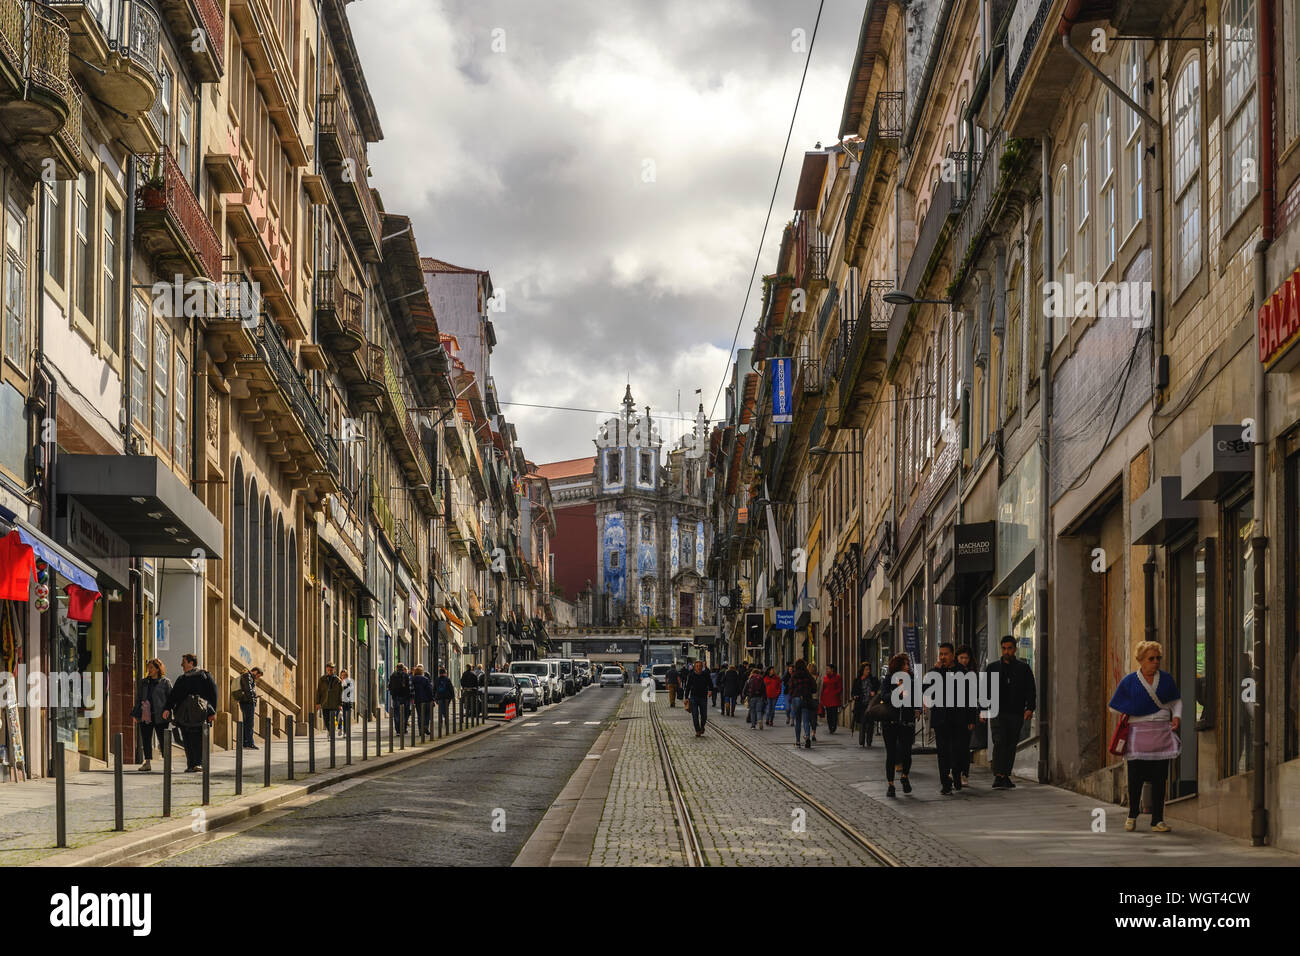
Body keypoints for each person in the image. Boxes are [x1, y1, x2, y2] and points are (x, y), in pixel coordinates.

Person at [1110, 641, 1182, 832]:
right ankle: (1132, 814)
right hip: (1138, 735)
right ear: (1141, 660)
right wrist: (1134, 709)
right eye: (1151, 659)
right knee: (1135, 778)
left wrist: (1176, 716)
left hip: (1161, 734)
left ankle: (1157, 819)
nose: (1156, 662)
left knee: (1160, 778)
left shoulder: (1166, 680)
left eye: (1158, 658)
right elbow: (1115, 705)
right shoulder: (1129, 681)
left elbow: (1176, 701)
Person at [982, 636, 1036, 789]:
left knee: (1011, 744)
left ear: (1015, 649)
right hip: (997, 711)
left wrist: (1030, 708)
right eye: (1004, 648)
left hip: (1015, 712)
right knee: (999, 741)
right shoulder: (992, 668)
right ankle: (998, 775)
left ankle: (1005, 774)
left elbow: (1030, 689)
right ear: (1001, 648)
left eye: (1009, 648)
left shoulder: (1023, 668)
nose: (1006, 651)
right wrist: (983, 710)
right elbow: (985, 690)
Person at [162, 654, 218, 772]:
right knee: (187, 739)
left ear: (191, 662)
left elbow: (213, 694)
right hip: (184, 714)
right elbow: (174, 696)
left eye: (184, 662)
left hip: (200, 714)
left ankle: (198, 763)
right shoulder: (182, 679)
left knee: (198, 739)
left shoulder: (204, 676)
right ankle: (190, 764)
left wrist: (212, 711)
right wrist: (167, 708)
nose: (181, 665)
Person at [931, 643, 968, 795]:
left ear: (952, 655)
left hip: (958, 719)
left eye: (946, 654)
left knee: (957, 750)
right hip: (941, 719)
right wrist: (937, 671)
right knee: (943, 752)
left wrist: (971, 719)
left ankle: (957, 774)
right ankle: (945, 782)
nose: (943, 657)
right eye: (941, 654)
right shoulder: (936, 672)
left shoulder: (962, 672)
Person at [879, 652, 918, 797]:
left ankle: (904, 776)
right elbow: (883, 696)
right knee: (891, 753)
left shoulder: (912, 679)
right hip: (890, 720)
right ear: (898, 666)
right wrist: (898, 692)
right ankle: (890, 785)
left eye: (908, 664)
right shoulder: (889, 679)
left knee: (907, 752)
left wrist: (918, 708)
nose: (908, 667)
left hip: (907, 721)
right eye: (905, 664)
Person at [131, 658, 172, 771]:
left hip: (160, 716)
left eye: (151, 668)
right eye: (148, 668)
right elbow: (139, 698)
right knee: (146, 739)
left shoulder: (165, 682)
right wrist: (136, 713)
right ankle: (147, 762)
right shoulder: (144, 682)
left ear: (158, 669)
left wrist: (168, 710)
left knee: (163, 739)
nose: (149, 670)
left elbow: (170, 699)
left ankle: (167, 762)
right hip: (146, 715)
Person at [955, 647, 978, 785]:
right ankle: (956, 771)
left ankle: (964, 773)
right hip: (954, 715)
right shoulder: (953, 672)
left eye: (966, 658)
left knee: (964, 746)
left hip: (966, 714)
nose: (964, 660)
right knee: (956, 746)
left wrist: (971, 719)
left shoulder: (971, 673)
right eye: (961, 658)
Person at [788, 659, 817, 748]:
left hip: (796, 698)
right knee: (806, 720)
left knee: (798, 720)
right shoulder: (808, 675)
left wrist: (792, 697)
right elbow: (814, 688)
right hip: (805, 698)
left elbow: (791, 688)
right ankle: (807, 736)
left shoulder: (794, 675)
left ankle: (797, 741)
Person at [851, 662, 880, 748]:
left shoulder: (873, 680)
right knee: (863, 722)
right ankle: (862, 740)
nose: (868, 671)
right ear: (862, 670)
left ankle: (869, 741)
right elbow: (853, 692)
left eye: (869, 669)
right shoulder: (857, 681)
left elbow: (878, 686)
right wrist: (855, 696)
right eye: (866, 669)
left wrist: (874, 691)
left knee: (870, 723)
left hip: (870, 705)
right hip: (861, 704)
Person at [233, 666, 261, 749]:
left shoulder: (246, 675)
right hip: (247, 703)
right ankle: (249, 743)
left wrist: (254, 696)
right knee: (249, 723)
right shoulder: (247, 676)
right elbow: (248, 689)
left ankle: (245, 742)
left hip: (245, 702)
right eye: (258, 676)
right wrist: (253, 699)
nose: (258, 678)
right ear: (256, 672)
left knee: (247, 723)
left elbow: (247, 690)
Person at [316, 662, 344, 738]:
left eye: (331, 670)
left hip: (334, 704)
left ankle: (331, 732)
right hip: (324, 703)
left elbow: (341, 693)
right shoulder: (322, 679)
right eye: (328, 670)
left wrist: (340, 704)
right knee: (326, 719)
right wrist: (318, 703)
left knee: (332, 720)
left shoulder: (338, 680)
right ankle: (329, 730)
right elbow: (319, 691)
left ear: (334, 670)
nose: (329, 671)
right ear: (326, 670)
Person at [684, 660, 712, 736]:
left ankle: (702, 726)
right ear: (694, 667)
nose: (698, 667)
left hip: (703, 697)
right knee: (695, 715)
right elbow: (688, 687)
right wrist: (686, 697)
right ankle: (697, 730)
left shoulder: (705, 674)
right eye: (697, 666)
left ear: (702, 667)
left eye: (700, 666)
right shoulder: (691, 675)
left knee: (704, 716)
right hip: (693, 697)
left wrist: (710, 690)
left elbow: (710, 683)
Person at [388, 663, 413, 732]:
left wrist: (392, 693)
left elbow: (390, 686)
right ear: (402, 668)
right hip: (405, 697)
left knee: (396, 713)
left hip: (396, 697)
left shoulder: (393, 675)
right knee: (405, 713)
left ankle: (398, 729)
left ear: (396, 668)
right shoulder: (406, 675)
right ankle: (404, 728)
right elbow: (409, 687)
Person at [411, 664, 435, 734]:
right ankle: (425, 726)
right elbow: (429, 690)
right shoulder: (425, 679)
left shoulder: (413, 679)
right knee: (427, 714)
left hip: (418, 700)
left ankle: (420, 730)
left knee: (420, 715)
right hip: (426, 700)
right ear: (422, 672)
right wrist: (432, 699)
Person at [821, 664, 844, 734]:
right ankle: (830, 727)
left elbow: (840, 688)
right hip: (827, 698)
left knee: (834, 713)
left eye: (828, 669)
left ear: (832, 669)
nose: (827, 670)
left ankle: (834, 726)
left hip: (834, 698)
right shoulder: (825, 678)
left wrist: (835, 693)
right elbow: (823, 688)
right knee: (829, 714)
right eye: (826, 669)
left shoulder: (837, 677)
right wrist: (822, 698)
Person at [434, 666, 455, 733]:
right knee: (446, 709)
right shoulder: (447, 679)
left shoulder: (437, 679)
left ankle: (440, 722)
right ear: (445, 673)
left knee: (440, 710)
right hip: (447, 697)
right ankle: (446, 722)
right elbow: (451, 689)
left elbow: (434, 688)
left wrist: (434, 697)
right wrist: (452, 697)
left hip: (439, 697)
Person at [339, 668, 355, 735]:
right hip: (340, 702)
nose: (343, 676)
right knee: (339, 716)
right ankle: (340, 728)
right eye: (342, 675)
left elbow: (350, 692)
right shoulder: (339, 681)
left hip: (347, 702)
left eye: (344, 675)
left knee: (346, 718)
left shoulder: (350, 682)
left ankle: (346, 731)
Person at [807, 664, 820, 741]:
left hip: (808, 698)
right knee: (814, 717)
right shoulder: (818, 678)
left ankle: (808, 732)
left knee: (808, 717)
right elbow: (820, 689)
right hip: (816, 699)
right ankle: (813, 732)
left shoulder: (807, 678)